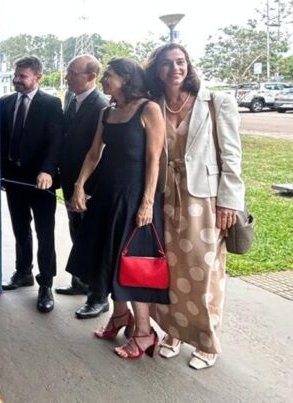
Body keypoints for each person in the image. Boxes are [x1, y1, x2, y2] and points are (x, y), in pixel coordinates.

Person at [144, 44, 245, 370]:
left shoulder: (216, 102)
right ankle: (173, 333)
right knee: (170, 271)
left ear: (189, 66)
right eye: (167, 63)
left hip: (204, 199)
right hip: (165, 197)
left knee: (204, 273)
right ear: (157, 70)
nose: (175, 68)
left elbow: (231, 155)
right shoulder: (155, 104)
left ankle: (205, 340)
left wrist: (229, 200)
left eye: (180, 62)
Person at [66, 58, 167, 359]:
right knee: (105, 258)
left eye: (109, 76)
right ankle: (120, 316)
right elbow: (94, 153)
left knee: (133, 265)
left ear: (125, 78)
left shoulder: (149, 109)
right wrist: (79, 185)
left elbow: (154, 159)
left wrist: (148, 201)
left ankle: (145, 333)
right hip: (108, 194)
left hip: (136, 197)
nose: (105, 80)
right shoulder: (106, 112)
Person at [0, 56, 63, 313]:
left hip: (41, 181)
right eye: (16, 75)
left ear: (38, 77)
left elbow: (55, 140)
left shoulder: (51, 103)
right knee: (20, 227)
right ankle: (23, 271)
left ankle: (45, 284)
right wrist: (2, 174)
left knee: (45, 232)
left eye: (23, 76)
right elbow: (0, 142)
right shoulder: (4, 104)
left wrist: (47, 170)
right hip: (14, 179)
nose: (17, 80)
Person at [55, 54, 110, 319]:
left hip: (90, 185)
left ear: (91, 77)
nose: (67, 77)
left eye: (72, 73)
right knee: (76, 231)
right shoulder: (71, 99)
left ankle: (98, 297)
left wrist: (83, 185)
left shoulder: (101, 107)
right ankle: (80, 281)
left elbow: (97, 151)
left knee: (92, 240)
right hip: (69, 181)